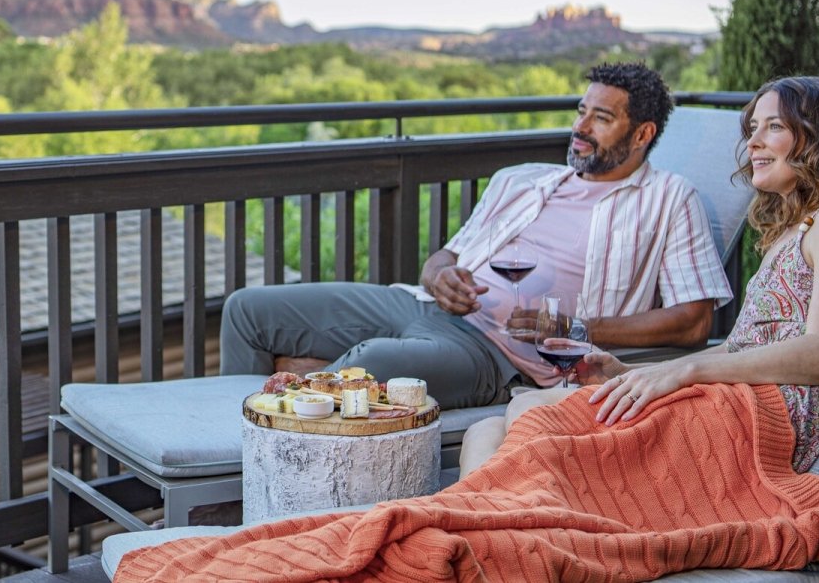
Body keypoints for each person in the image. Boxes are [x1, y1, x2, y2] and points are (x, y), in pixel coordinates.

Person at [461, 75, 819, 474]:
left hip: (772, 417)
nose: (752, 142)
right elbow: (738, 348)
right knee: (488, 428)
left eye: (774, 126)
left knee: (532, 414)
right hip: (739, 396)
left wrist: (687, 371)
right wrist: (634, 372)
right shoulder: (794, 230)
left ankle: (490, 523)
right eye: (753, 128)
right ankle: (482, 518)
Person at [220, 62, 734, 409]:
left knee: (374, 362)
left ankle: (309, 381)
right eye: (581, 111)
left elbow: (694, 322)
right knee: (247, 310)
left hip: (495, 355)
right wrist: (439, 274)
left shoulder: (670, 198)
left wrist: (578, 327)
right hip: (426, 306)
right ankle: (236, 452)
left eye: (601, 118)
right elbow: (447, 255)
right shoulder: (523, 180)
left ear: (642, 134)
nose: (581, 126)